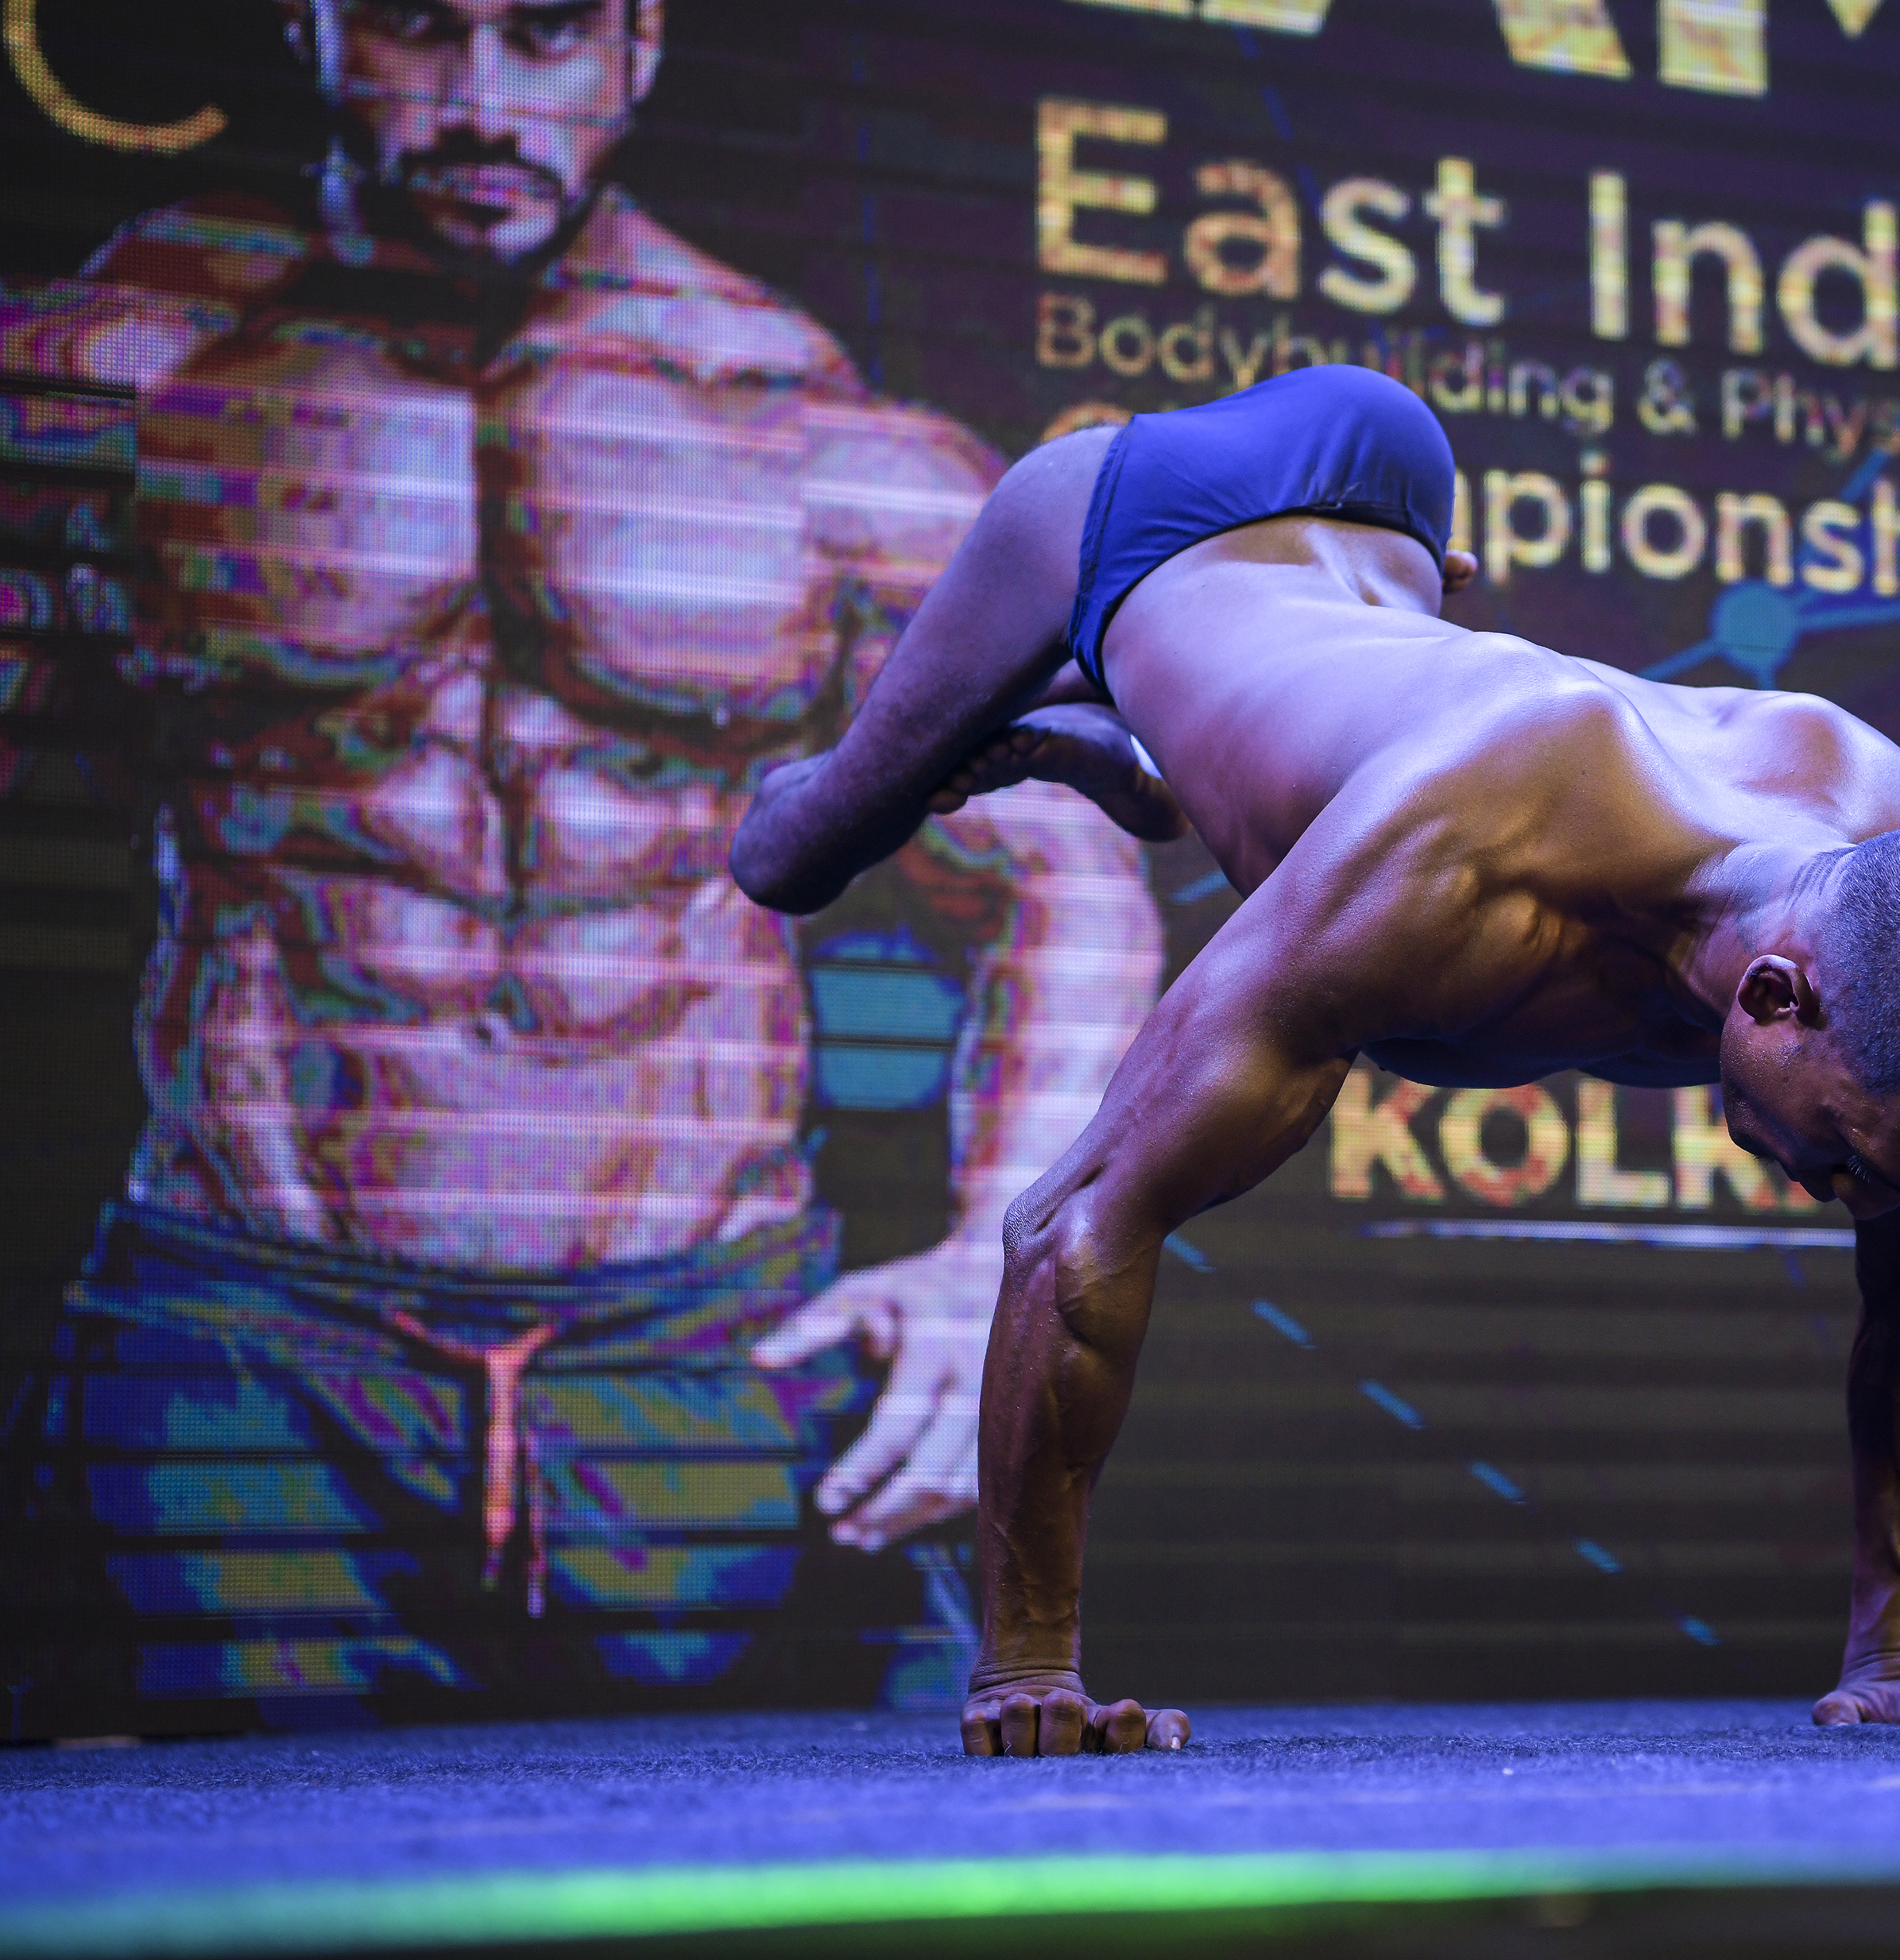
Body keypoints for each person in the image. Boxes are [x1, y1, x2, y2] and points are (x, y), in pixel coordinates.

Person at [0, 0, 1160, 1722]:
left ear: (632, 44)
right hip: (249, 1345)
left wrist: (984, 1260)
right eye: (414, 28)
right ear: (312, 32)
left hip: (709, 1351)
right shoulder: (111, 388)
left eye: (539, 35)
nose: (480, 101)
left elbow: (1059, 868)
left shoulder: (802, 430)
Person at [733, 364, 1900, 1755]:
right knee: (791, 858)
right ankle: (1088, 681)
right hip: (1129, 521)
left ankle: (1140, 738)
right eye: (1848, 1156)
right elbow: (1075, 1224)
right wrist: (1025, 1671)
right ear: (1777, 998)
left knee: (1291, 788)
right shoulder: (1472, 857)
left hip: (1389, 537)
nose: (1847, 1195)